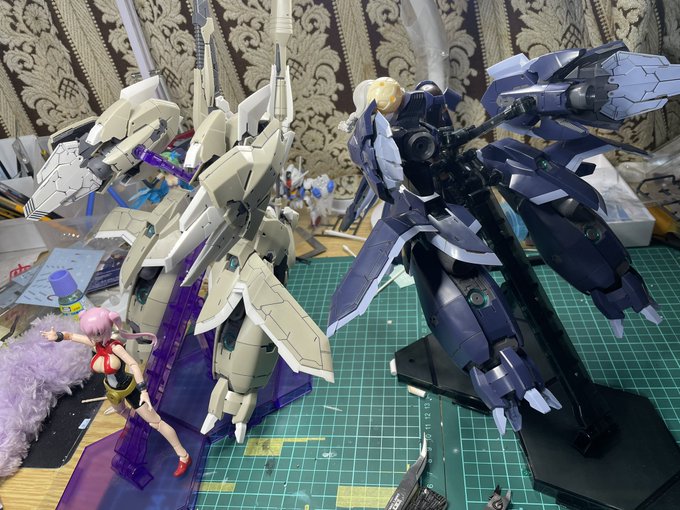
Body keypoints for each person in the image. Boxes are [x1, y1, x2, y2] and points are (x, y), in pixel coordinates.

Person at [41, 307, 191, 477]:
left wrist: (143, 390)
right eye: (91, 334)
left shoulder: (115, 348)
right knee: (121, 411)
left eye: (96, 334)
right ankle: (136, 426)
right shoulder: (96, 344)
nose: (93, 338)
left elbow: (133, 365)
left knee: (156, 423)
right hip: (112, 390)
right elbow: (71, 336)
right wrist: (58, 336)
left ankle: (183, 455)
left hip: (130, 389)